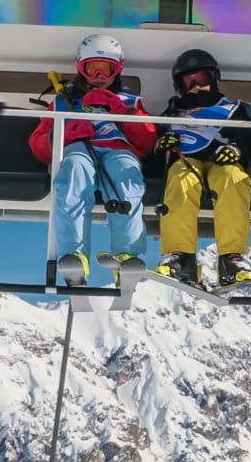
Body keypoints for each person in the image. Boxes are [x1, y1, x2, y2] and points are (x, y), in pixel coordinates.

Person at [28, 33, 156, 285]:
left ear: (117, 69)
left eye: (105, 69)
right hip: (79, 149)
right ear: (81, 69)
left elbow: (148, 142)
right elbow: (39, 146)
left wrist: (124, 114)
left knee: (126, 175)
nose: (98, 76)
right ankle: (74, 255)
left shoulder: (129, 102)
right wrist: (63, 134)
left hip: (117, 149)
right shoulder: (64, 101)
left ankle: (127, 255)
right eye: (92, 69)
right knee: (73, 172)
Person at [153, 48, 251, 288]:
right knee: (180, 180)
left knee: (232, 179)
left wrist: (237, 150)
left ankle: (232, 258)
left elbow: (250, 136)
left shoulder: (231, 108)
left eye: (203, 79)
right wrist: (162, 144)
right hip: (188, 162)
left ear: (214, 79)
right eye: (189, 80)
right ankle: (180, 257)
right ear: (180, 85)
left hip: (222, 161)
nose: (197, 86)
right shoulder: (173, 112)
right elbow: (154, 142)